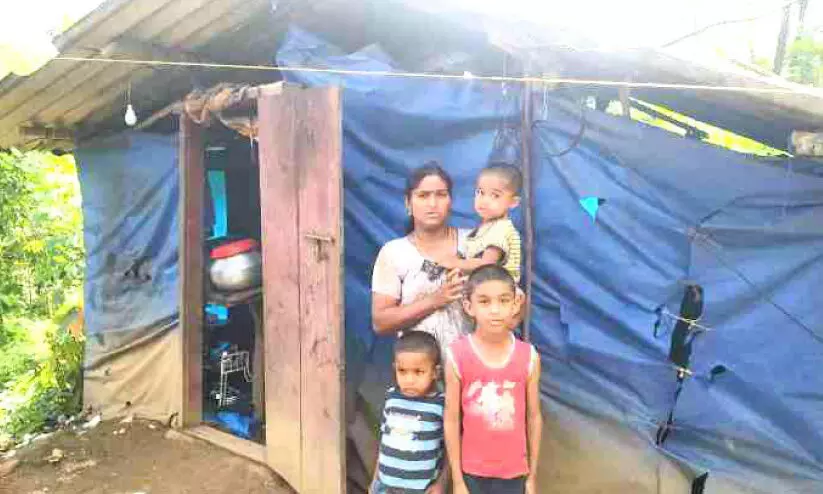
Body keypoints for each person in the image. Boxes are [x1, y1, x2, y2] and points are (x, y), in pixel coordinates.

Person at [444, 265, 542, 494]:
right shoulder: (457, 355)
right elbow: (451, 419)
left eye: (503, 300)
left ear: (515, 304)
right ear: (469, 306)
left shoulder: (528, 357)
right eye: (485, 302)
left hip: (515, 474)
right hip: (471, 474)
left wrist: (532, 477)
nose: (495, 310)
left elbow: (534, 417)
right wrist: (458, 481)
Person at [372, 161, 472, 352]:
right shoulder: (394, 253)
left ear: (451, 201)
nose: (432, 204)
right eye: (423, 195)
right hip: (419, 374)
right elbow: (381, 322)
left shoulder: (475, 243)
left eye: (441, 195)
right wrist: (435, 300)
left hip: (469, 369)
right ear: (408, 203)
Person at [370, 332, 447, 493]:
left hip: (421, 488)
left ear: (435, 373)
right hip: (385, 485)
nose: (409, 380)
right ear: (394, 369)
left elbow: (450, 448)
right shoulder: (392, 398)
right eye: (402, 371)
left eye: (419, 372)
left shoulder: (440, 404)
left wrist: (442, 482)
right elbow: (385, 442)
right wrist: (375, 479)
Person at [435, 163, 522, 283]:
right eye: (480, 192)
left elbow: (486, 264)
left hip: (499, 292)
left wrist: (455, 263)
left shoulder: (500, 229)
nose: (484, 201)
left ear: (513, 202)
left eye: (495, 195)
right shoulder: (485, 228)